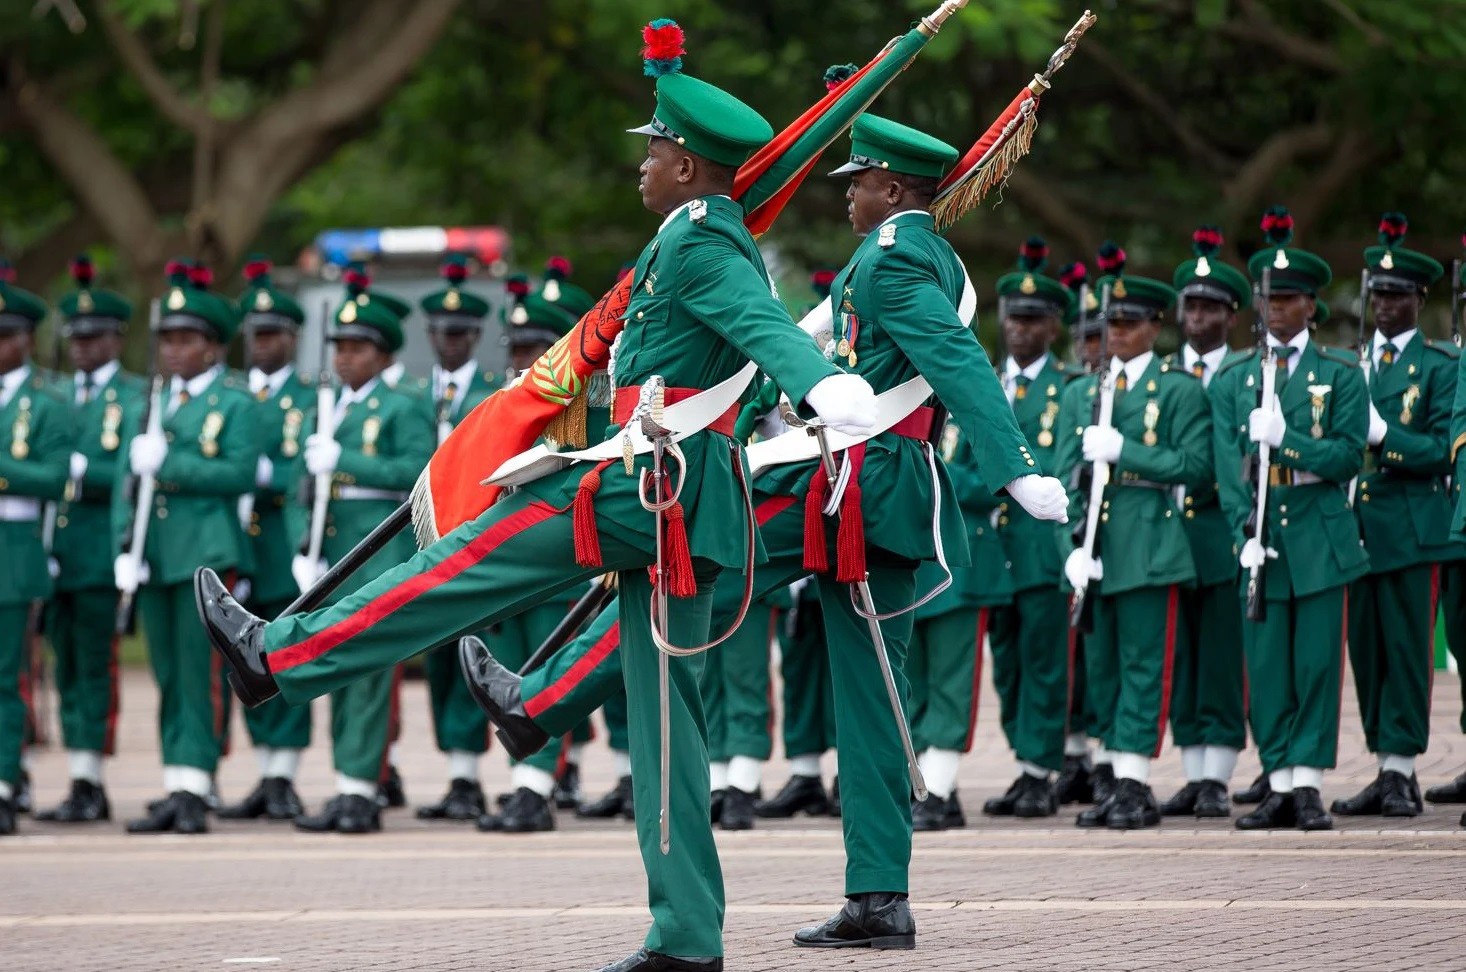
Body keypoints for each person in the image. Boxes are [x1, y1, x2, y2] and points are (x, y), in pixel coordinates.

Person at [200, 54, 879, 970]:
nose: (641, 162)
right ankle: (685, 936)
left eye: (656, 149)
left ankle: (279, 657)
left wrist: (824, 382)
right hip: (683, 494)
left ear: (687, 167)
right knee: (667, 723)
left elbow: (760, 324)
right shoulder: (699, 231)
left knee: (460, 566)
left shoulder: (702, 242)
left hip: (648, 488)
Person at [459, 111, 1067, 954]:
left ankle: (542, 701)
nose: (848, 194)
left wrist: (1016, 467)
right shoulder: (914, 254)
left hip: (854, 486)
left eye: (858, 182)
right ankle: (879, 895)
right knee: (869, 696)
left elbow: (956, 357)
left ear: (893, 190)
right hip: (879, 487)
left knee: (690, 570)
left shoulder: (894, 262)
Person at [1212, 206, 1369, 831]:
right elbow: (1228, 470)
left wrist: (1290, 441)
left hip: (1321, 533)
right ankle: (1277, 779)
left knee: (1317, 665)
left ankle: (1307, 783)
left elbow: (1347, 455)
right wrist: (1238, 536)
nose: (1276, 308)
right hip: (1261, 533)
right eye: (1268, 298)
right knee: (1268, 665)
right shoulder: (1235, 379)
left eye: (1290, 298)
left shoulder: (1340, 375)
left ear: (1312, 306)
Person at [1056, 244, 1210, 830]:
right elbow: (1067, 472)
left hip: (1150, 543)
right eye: (1108, 324)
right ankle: (1115, 777)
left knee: (1146, 665)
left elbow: (1196, 465)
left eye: (1127, 323)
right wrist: (1071, 547)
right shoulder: (1088, 390)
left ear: (1154, 326)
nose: (1114, 333)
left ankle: (1137, 781)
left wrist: (1128, 452)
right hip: (1098, 545)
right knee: (1106, 671)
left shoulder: (1177, 390)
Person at [290, 269, 435, 835]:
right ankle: (345, 782)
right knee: (338, 666)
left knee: (371, 671)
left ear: (382, 354)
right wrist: (305, 545)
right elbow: (305, 489)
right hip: (334, 557)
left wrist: (346, 464)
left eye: (357, 348)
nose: (346, 358)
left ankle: (361, 788)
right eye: (340, 348)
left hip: (378, 554)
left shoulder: (402, 406)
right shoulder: (329, 407)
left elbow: (417, 474)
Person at [119, 261, 260, 835]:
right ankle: (176, 777)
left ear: (213, 347)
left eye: (187, 340)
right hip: (157, 552)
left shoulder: (234, 402)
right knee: (168, 672)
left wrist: (169, 463)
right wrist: (124, 548)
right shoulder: (155, 402)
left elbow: (239, 472)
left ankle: (198, 784)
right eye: (168, 340)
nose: (174, 351)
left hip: (205, 550)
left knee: (200, 671)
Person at [1333, 213, 1455, 819]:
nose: (1383, 304)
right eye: (1376, 293)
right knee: (1368, 651)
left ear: (1419, 299)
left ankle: (1403, 768)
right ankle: (1382, 761)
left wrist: (1386, 436)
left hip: (1409, 528)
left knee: (1406, 651)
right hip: (1358, 530)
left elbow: (1440, 451)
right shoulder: (1352, 364)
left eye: (1396, 294)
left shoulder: (1438, 367)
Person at [35, 256, 142, 824]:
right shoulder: (52, 394)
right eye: (75, 338)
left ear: (116, 339)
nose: (81, 347)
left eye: (94, 337)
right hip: (56, 550)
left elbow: (127, 474)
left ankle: (90, 777)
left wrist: (79, 471)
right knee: (67, 663)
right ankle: (76, 773)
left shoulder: (130, 397)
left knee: (95, 666)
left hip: (100, 550)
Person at [211, 256, 314, 822]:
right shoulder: (228, 394)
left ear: (292, 338)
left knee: (286, 650)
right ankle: (262, 767)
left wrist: (276, 474)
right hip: (236, 537)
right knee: (241, 657)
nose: (263, 344)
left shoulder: (306, 396)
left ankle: (285, 773)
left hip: (281, 537)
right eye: (255, 334)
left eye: (273, 334)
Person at [984, 237, 1080, 820]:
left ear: (1053, 327)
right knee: (1009, 662)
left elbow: (1061, 463)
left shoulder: (1065, 389)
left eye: (1033, 320)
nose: (1020, 330)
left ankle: (1043, 769)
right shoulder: (987, 382)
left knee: (1046, 661)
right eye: (1013, 320)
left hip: (1041, 545)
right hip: (996, 549)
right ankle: (1024, 761)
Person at [1157, 226, 1251, 819]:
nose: (1197, 316)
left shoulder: (1243, 374)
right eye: (1190, 305)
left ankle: (1219, 773)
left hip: (1221, 529)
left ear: (1231, 315)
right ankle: (1193, 772)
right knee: (1183, 656)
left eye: (1210, 306)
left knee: (1220, 655)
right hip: (1171, 534)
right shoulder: (1163, 375)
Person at [413, 254, 500, 824]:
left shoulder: (493, 394)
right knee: (439, 663)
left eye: (460, 333)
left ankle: (471, 776)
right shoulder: (414, 397)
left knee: (475, 652)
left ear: (475, 336)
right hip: (428, 542)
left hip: (474, 540)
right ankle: (453, 774)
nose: (450, 342)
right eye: (441, 333)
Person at [0, 269, 67, 836]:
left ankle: (4, 781)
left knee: (4, 675)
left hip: (12, 545)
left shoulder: (47, 400)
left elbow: (53, 479)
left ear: (25, 339)